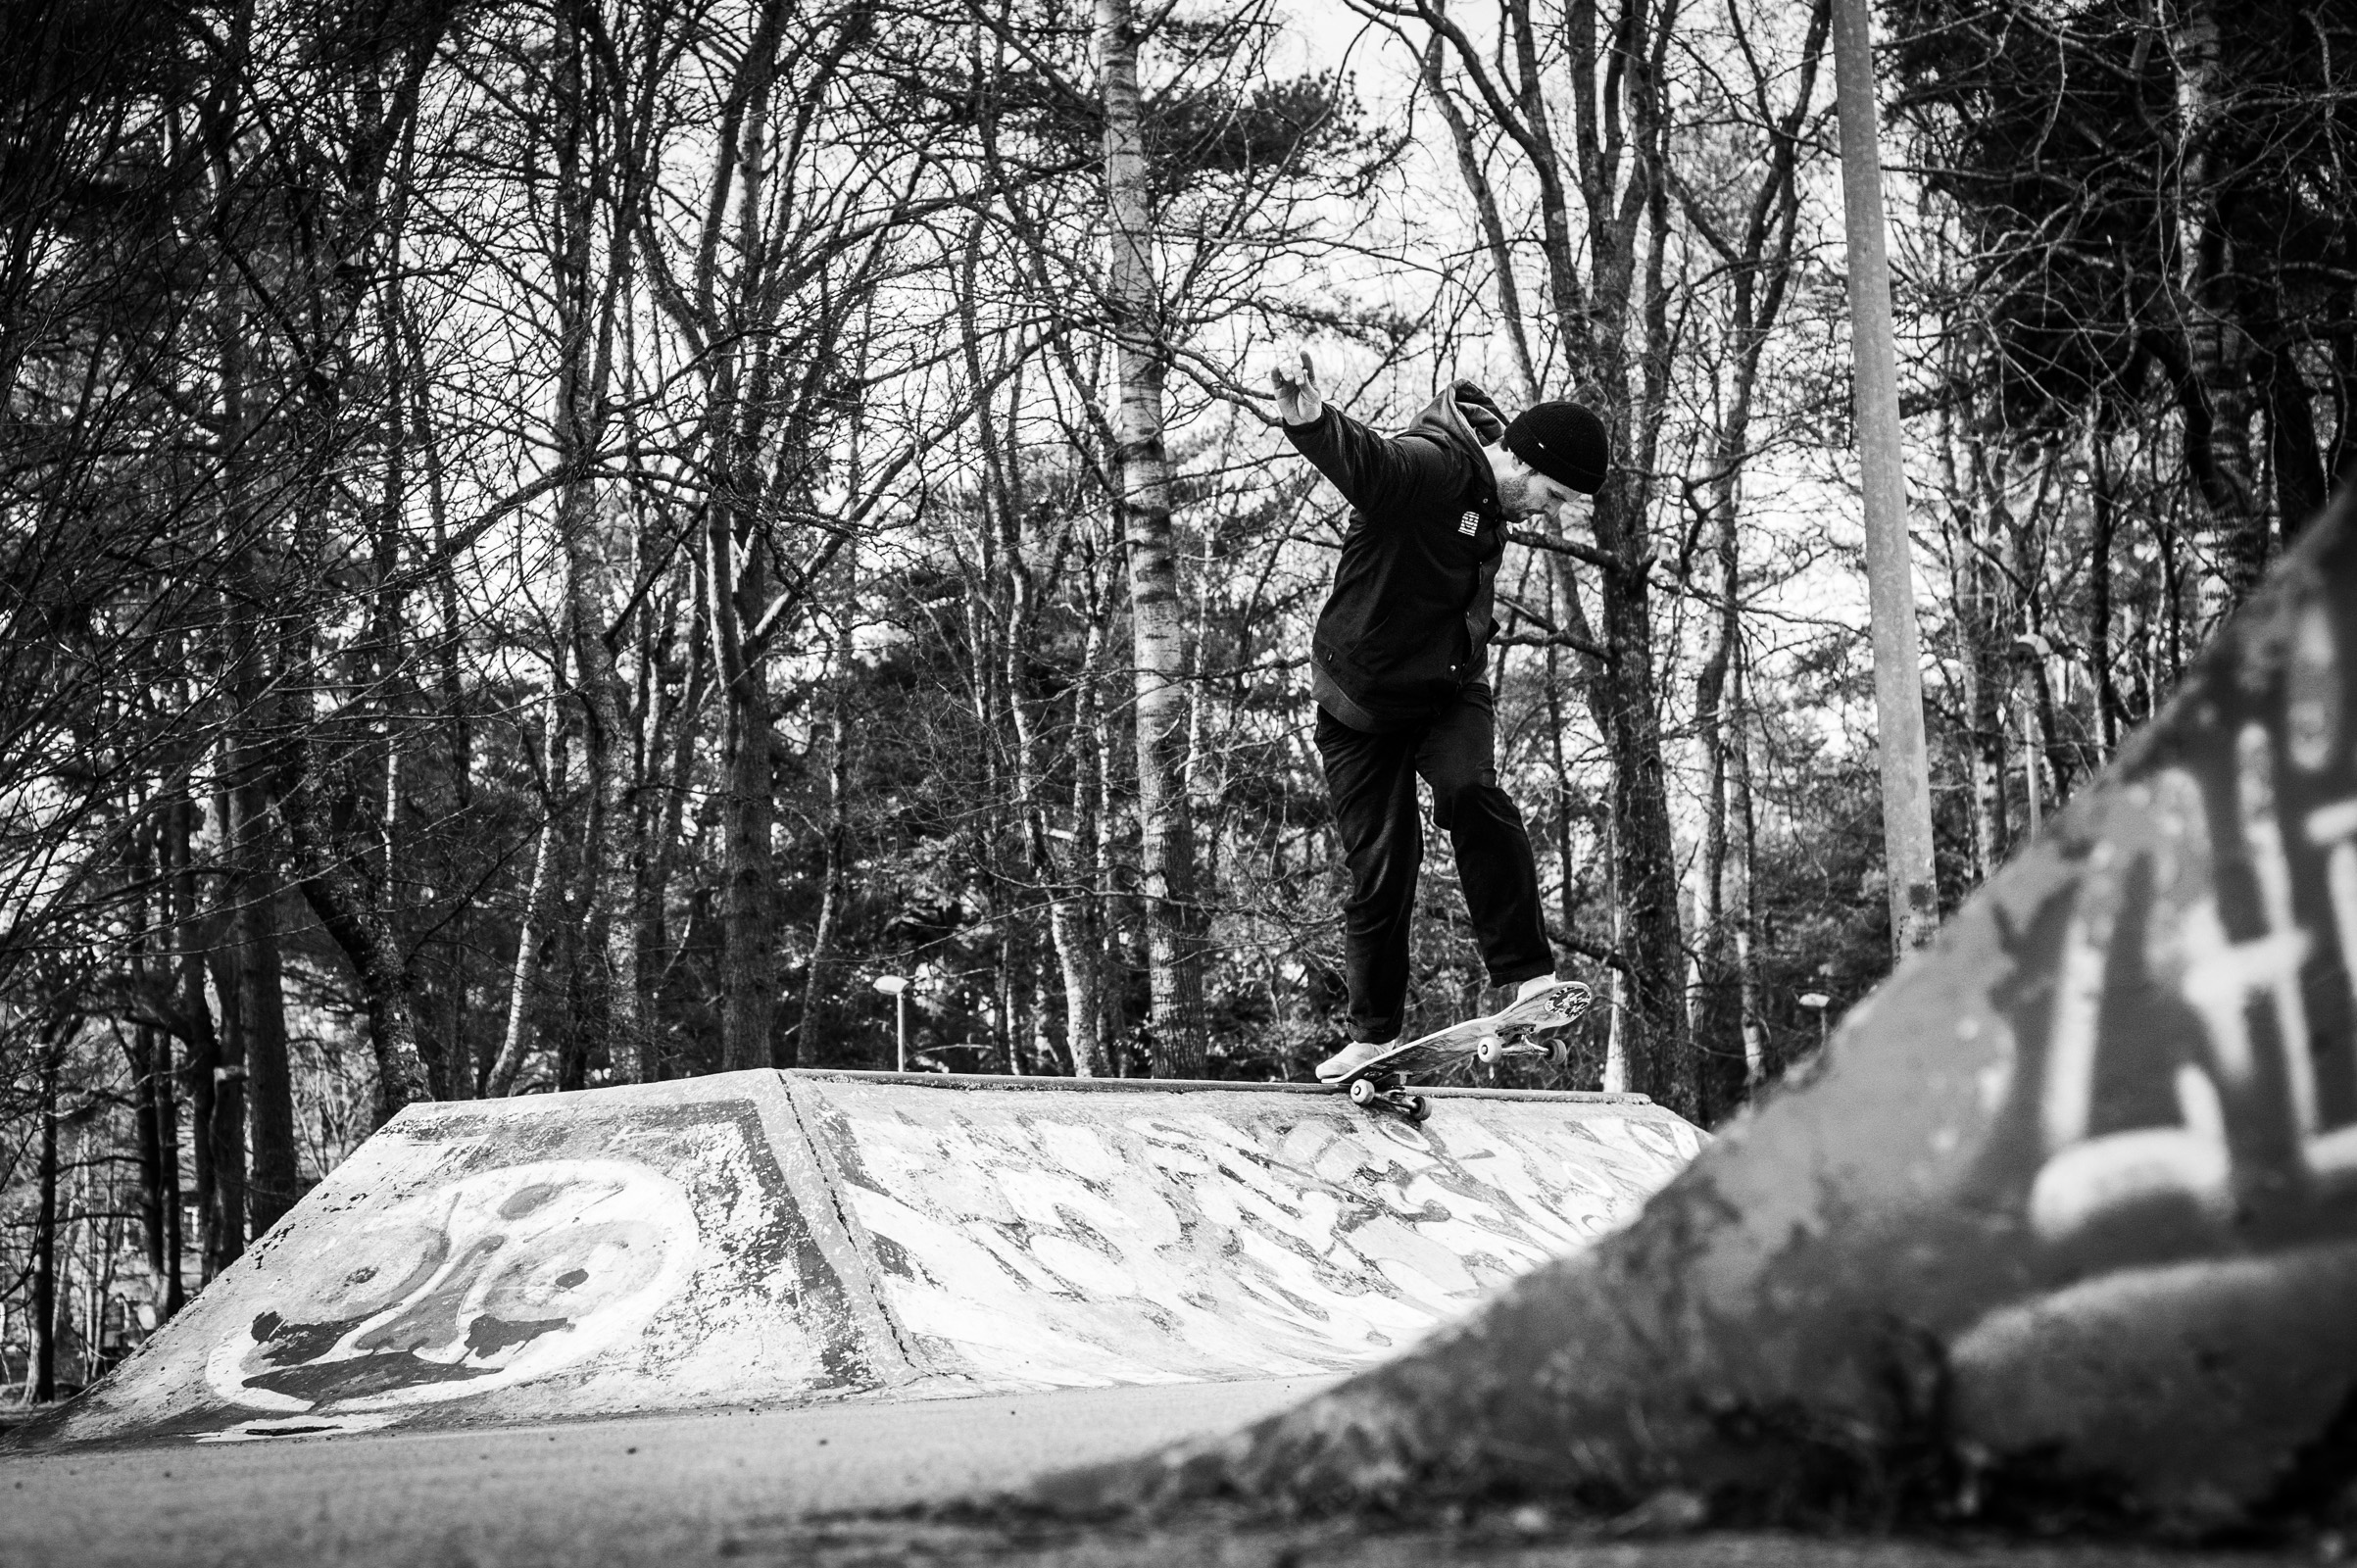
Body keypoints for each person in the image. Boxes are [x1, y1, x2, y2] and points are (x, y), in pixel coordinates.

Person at [1269, 351, 1608, 1083]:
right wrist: (1313, 422)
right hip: (1359, 702)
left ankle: (1529, 979)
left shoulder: (1493, 499)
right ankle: (1371, 1037)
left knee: (1472, 793)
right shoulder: (1433, 466)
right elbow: (1373, 465)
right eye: (1550, 495)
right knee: (1384, 865)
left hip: (1449, 688)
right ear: (1521, 460)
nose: (1548, 512)